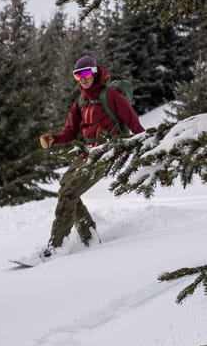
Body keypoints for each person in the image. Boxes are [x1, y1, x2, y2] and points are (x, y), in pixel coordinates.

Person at [39, 54, 143, 253]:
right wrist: (54, 139)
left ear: (94, 72)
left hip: (106, 152)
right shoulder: (81, 101)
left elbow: (133, 122)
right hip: (87, 153)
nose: (83, 78)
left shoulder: (111, 96)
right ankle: (89, 235)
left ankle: (56, 246)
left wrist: (145, 150)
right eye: (78, 76)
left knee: (69, 194)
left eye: (86, 73)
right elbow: (70, 132)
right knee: (65, 190)